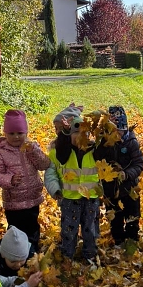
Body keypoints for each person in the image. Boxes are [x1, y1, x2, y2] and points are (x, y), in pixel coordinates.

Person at [0, 109, 51, 255]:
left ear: (26, 133)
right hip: (14, 201)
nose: (16, 137)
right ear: (5, 133)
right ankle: (14, 254)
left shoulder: (31, 148)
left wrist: (33, 150)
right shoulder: (0, 152)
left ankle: (32, 251)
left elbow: (44, 164)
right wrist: (9, 180)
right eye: (11, 133)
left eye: (20, 133)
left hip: (33, 198)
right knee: (15, 229)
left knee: (32, 226)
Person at [55, 113, 106, 265]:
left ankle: (90, 253)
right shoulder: (66, 151)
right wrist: (64, 133)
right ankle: (67, 254)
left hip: (90, 198)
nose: (79, 136)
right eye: (75, 132)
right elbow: (60, 150)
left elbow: (104, 152)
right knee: (68, 229)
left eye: (84, 133)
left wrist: (101, 134)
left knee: (90, 227)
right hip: (70, 198)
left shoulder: (93, 150)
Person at [102, 105, 143, 246]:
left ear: (125, 128)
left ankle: (132, 239)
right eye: (113, 132)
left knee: (133, 215)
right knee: (115, 217)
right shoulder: (105, 143)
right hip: (111, 189)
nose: (117, 135)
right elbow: (98, 158)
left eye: (119, 131)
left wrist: (126, 174)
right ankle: (118, 239)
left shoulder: (131, 142)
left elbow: (138, 163)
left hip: (129, 188)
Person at [45, 104, 83, 202]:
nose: (57, 132)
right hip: (66, 197)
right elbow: (50, 173)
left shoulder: (86, 150)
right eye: (56, 128)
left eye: (61, 129)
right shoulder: (54, 152)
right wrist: (55, 189)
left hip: (86, 197)